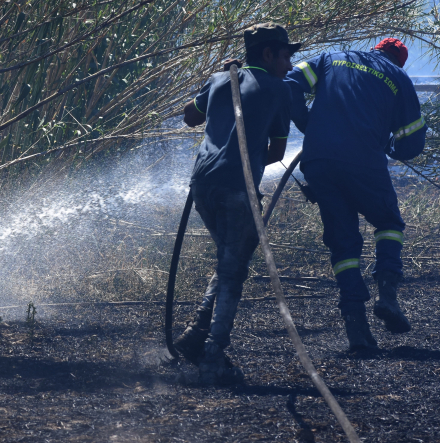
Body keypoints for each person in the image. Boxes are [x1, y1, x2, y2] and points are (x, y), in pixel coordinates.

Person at [174, 22, 298, 385]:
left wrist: (219, 77)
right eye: (287, 56)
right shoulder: (279, 90)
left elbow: (189, 116)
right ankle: (212, 358)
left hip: (202, 186)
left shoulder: (219, 80)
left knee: (231, 262)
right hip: (237, 189)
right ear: (268, 54)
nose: (290, 65)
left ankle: (196, 336)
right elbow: (276, 151)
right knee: (233, 271)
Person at [285, 37, 426, 353]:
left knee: (342, 240)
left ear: (375, 49)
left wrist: (307, 123)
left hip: (318, 161)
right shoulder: (399, 78)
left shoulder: (332, 57)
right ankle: (387, 296)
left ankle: (356, 327)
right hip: (363, 160)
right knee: (389, 221)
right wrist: (392, 147)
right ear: (398, 61)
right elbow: (413, 141)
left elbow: (290, 84)